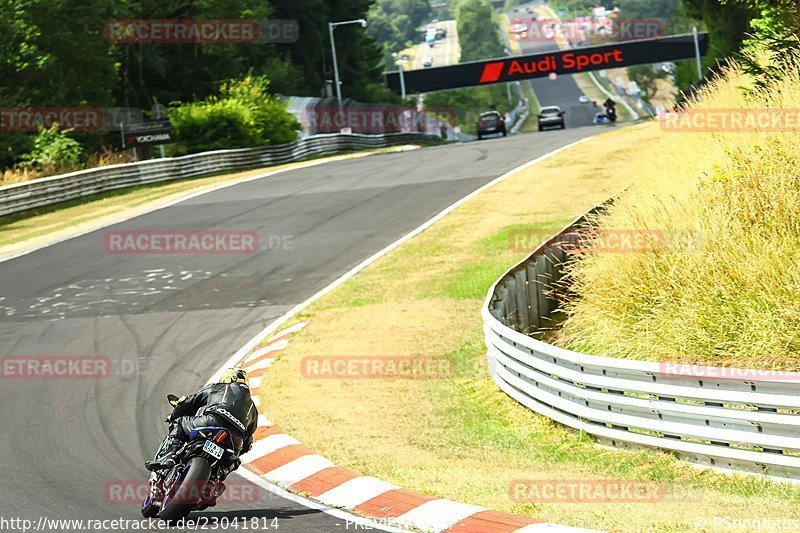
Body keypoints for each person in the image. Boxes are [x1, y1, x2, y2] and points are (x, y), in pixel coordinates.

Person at [145, 368, 259, 482]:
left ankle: (169, 457)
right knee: (234, 460)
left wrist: (174, 416)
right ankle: (217, 479)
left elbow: (188, 402)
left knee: (179, 423)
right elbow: (248, 442)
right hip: (235, 439)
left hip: (211, 421)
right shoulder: (253, 409)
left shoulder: (217, 387)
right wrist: (237, 452)